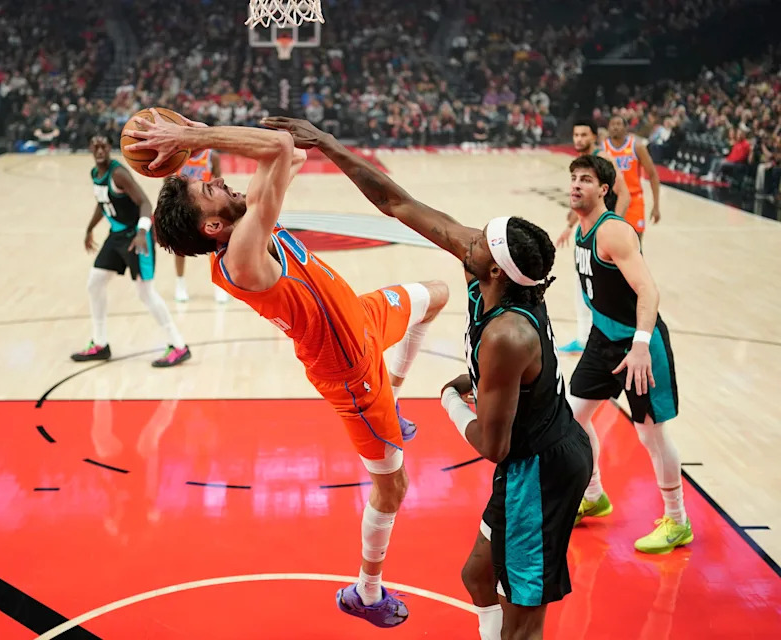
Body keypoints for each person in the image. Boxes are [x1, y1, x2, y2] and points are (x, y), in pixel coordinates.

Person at [263, 116, 592, 640]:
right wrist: (328, 143)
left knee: (524, 623)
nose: (469, 238)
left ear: (495, 270)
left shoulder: (508, 335)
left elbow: (493, 446)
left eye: (481, 241)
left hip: (540, 471)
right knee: (477, 576)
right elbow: (398, 203)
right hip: (531, 452)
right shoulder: (493, 276)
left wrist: (449, 399)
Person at [124, 111, 448, 628]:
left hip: (361, 316)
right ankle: (366, 592)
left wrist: (193, 131)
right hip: (352, 375)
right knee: (394, 488)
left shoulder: (246, 219)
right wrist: (190, 134)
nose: (217, 180)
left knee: (438, 293)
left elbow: (290, 153)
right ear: (213, 227)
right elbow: (276, 149)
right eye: (208, 190)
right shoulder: (242, 257)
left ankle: (398, 396)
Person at [567, 154, 691, 554]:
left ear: (604, 189)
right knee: (572, 417)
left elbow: (649, 290)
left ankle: (678, 520)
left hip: (639, 344)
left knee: (650, 434)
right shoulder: (582, 229)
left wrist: (640, 345)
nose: (576, 184)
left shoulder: (613, 232)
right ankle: (593, 494)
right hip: (603, 339)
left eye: (586, 179)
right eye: (573, 178)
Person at [70, 135, 191, 368]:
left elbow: (145, 203)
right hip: (116, 236)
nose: (100, 150)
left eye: (103, 146)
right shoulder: (95, 174)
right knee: (95, 283)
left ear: (109, 148)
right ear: (90, 149)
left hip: (137, 236)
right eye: (95, 146)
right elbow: (103, 203)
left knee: (145, 293)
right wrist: (89, 228)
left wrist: (141, 232)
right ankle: (100, 344)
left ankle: (178, 346)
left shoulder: (118, 174)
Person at [557, 120, 631, 355]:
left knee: (603, 289)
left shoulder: (603, 160)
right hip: (586, 231)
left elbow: (624, 195)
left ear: (593, 137)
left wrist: (613, 224)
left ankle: (615, 340)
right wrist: (569, 226)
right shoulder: (581, 164)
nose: (579, 139)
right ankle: (583, 339)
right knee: (582, 284)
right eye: (576, 135)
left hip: (603, 235)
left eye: (583, 135)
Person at [170, 149, 230, 304]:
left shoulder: (212, 156)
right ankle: (180, 284)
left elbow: (218, 184)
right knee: (180, 248)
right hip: (183, 208)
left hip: (205, 209)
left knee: (214, 247)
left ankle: (220, 285)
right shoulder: (178, 154)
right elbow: (168, 182)